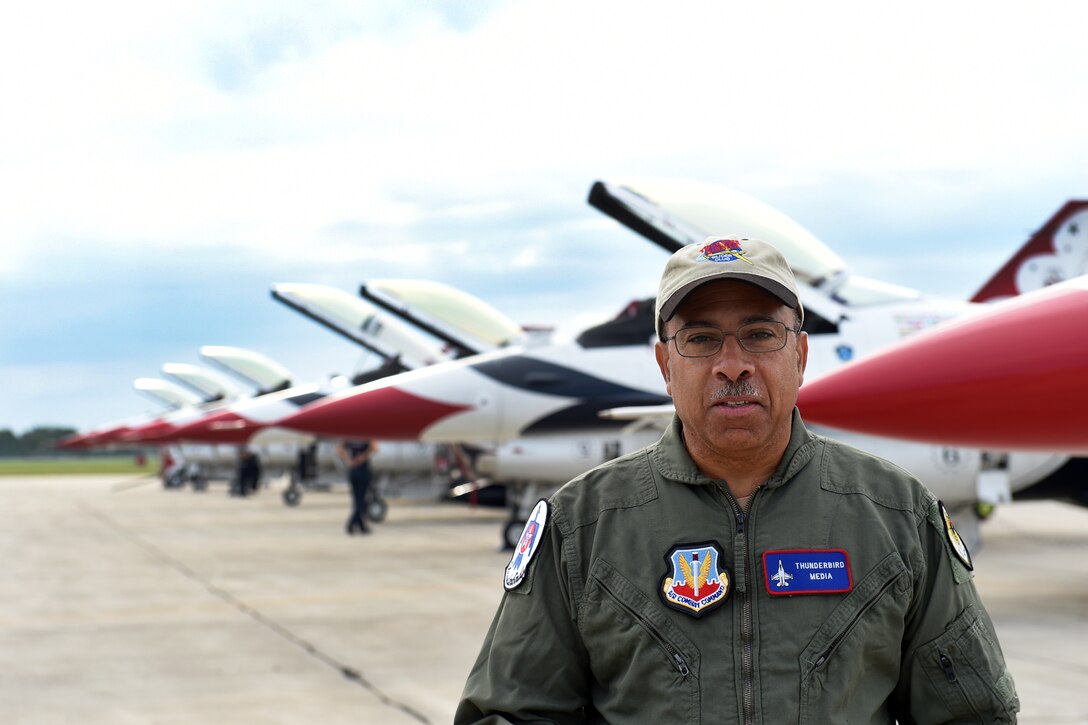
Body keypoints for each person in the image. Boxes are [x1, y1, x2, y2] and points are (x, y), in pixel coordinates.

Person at [456, 237, 1018, 723]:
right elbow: (512, 712)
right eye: (701, 340)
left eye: (759, 335)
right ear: (664, 365)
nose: (733, 364)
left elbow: (972, 713)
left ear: (799, 355)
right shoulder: (581, 526)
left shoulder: (898, 514)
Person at [338, 439, 378, 535]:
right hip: (363, 471)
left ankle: (361, 526)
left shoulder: (350, 437)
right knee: (361, 501)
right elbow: (375, 448)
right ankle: (351, 524)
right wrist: (364, 457)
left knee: (357, 500)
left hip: (353, 471)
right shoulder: (366, 436)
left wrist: (348, 461)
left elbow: (339, 449)